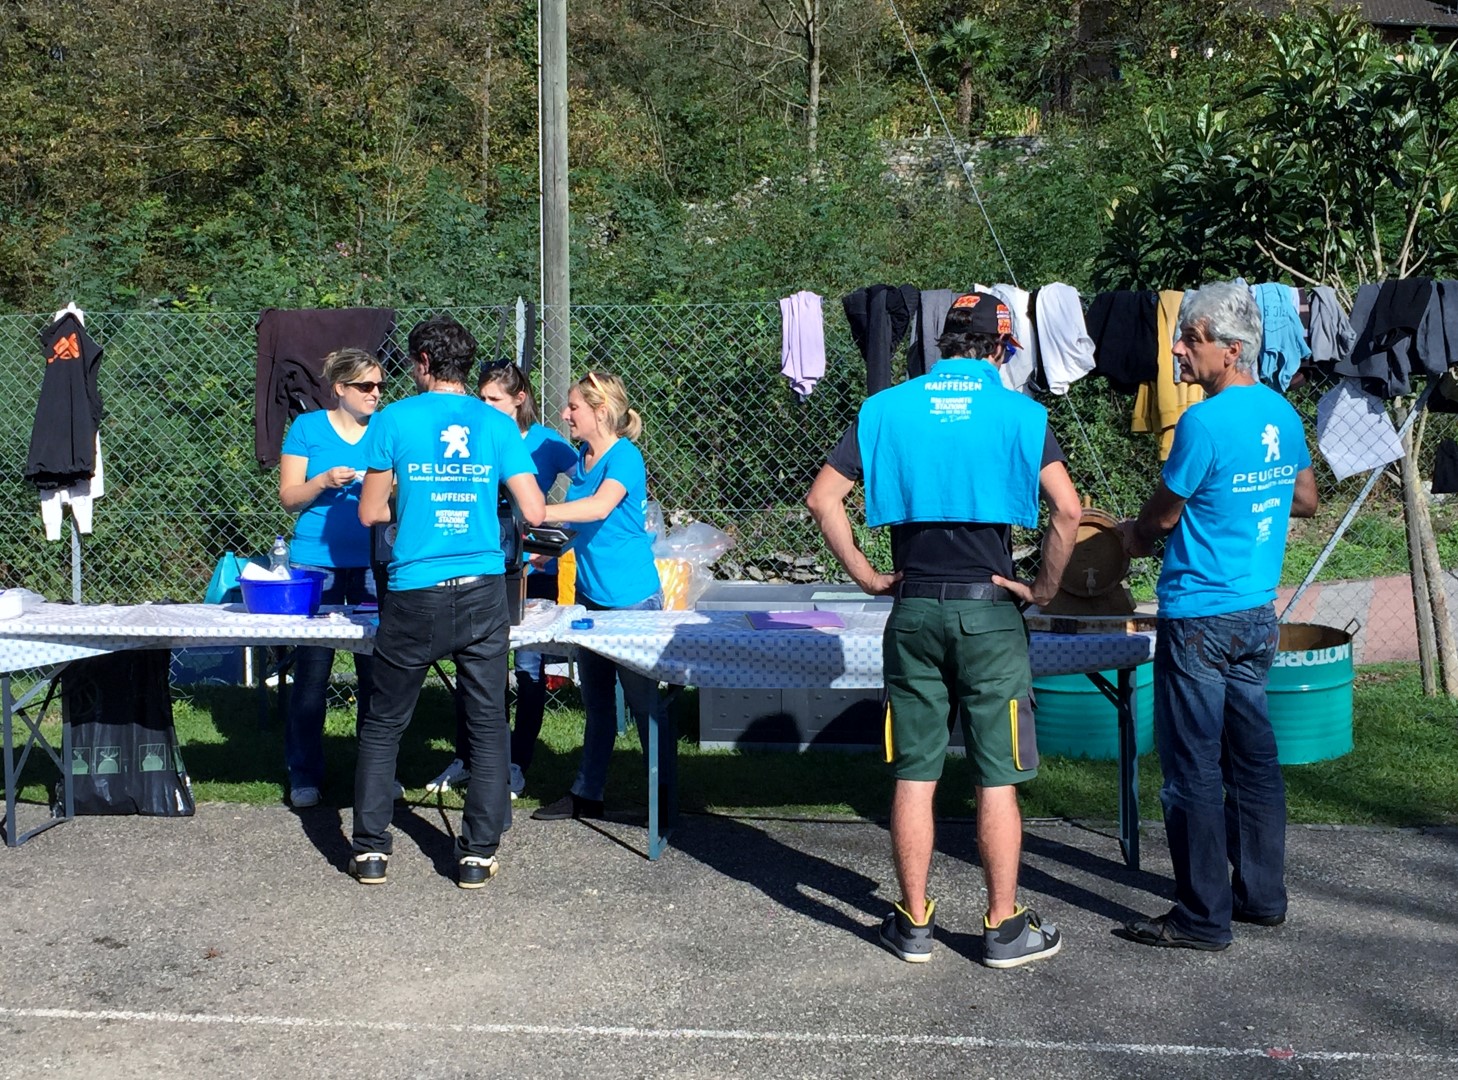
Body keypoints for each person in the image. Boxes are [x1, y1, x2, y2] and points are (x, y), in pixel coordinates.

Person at [805, 292, 1081, 969]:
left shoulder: (885, 408)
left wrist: (869, 578)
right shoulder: (1021, 413)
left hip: (915, 609)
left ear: (942, 341)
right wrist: (1043, 590)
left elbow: (822, 498)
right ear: (1002, 348)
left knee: (915, 772)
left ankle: (913, 923)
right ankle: (1003, 928)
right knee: (996, 777)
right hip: (989, 613)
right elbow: (1069, 511)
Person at [1118, 281, 1317, 950]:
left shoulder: (1202, 423)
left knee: (1193, 769)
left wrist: (1130, 536)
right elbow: (1306, 498)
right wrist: (1252, 493)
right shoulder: (1281, 412)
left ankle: (1202, 916)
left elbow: (1160, 517)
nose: (1179, 349)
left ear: (1231, 350)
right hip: (1257, 613)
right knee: (1253, 759)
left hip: (1200, 617)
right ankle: (1262, 897)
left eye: (1191, 339)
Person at [351, 316, 545, 888]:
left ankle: (371, 851)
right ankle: (477, 854)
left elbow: (370, 512)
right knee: (486, 721)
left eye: (412, 364)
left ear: (425, 363)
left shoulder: (393, 419)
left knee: (385, 722)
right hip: (484, 589)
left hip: (415, 589)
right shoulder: (497, 423)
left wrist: (414, 500)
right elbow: (534, 510)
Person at [425, 358, 577, 799]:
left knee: (528, 668)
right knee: (471, 664)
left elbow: (588, 487)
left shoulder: (547, 443)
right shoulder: (473, 434)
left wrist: (554, 544)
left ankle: (516, 761)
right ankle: (467, 757)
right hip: (478, 568)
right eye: (482, 397)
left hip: (530, 573)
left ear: (519, 399)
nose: (486, 406)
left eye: (495, 399)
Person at [531, 371, 674, 823]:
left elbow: (598, 508)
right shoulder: (584, 457)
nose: (565, 414)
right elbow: (583, 526)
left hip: (632, 601)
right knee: (596, 706)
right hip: (591, 599)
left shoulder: (625, 456)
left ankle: (663, 800)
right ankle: (586, 794)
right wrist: (542, 553)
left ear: (600, 411)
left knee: (643, 704)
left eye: (573, 407)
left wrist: (539, 511)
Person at [276, 348, 383, 810]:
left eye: (379, 386)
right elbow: (289, 496)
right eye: (365, 386)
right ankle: (304, 773)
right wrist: (322, 481)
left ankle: (375, 776)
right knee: (312, 675)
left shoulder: (385, 428)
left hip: (372, 563)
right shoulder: (307, 428)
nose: (375, 394)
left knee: (376, 675)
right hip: (315, 562)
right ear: (340, 389)